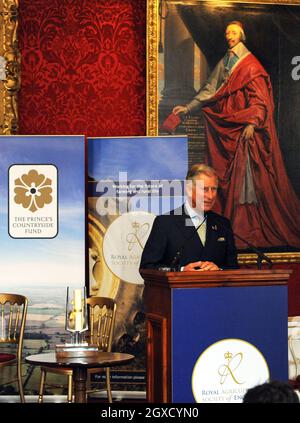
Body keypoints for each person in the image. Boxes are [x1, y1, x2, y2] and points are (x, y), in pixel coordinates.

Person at [173, 21, 300, 249]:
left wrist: (251, 122)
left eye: (233, 32)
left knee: (248, 178)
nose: (229, 35)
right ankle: (234, 228)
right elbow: (210, 89)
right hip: (228, 128)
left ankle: (249, 226)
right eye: (227, 32)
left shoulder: (251, 65)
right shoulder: (226, 61)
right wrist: (188, 107)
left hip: (244, 130)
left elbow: (261, 102)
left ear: (241, 35)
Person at [139, 164, 239, 271]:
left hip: (214, 288)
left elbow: (233, 267)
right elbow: (147, 267)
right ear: (189, 189)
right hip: (178, 288)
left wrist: (218, 270)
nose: (211, 196)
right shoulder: (165, 223)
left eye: (213, 189)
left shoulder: (223, 224)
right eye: (205, 189)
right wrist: (181, 270)